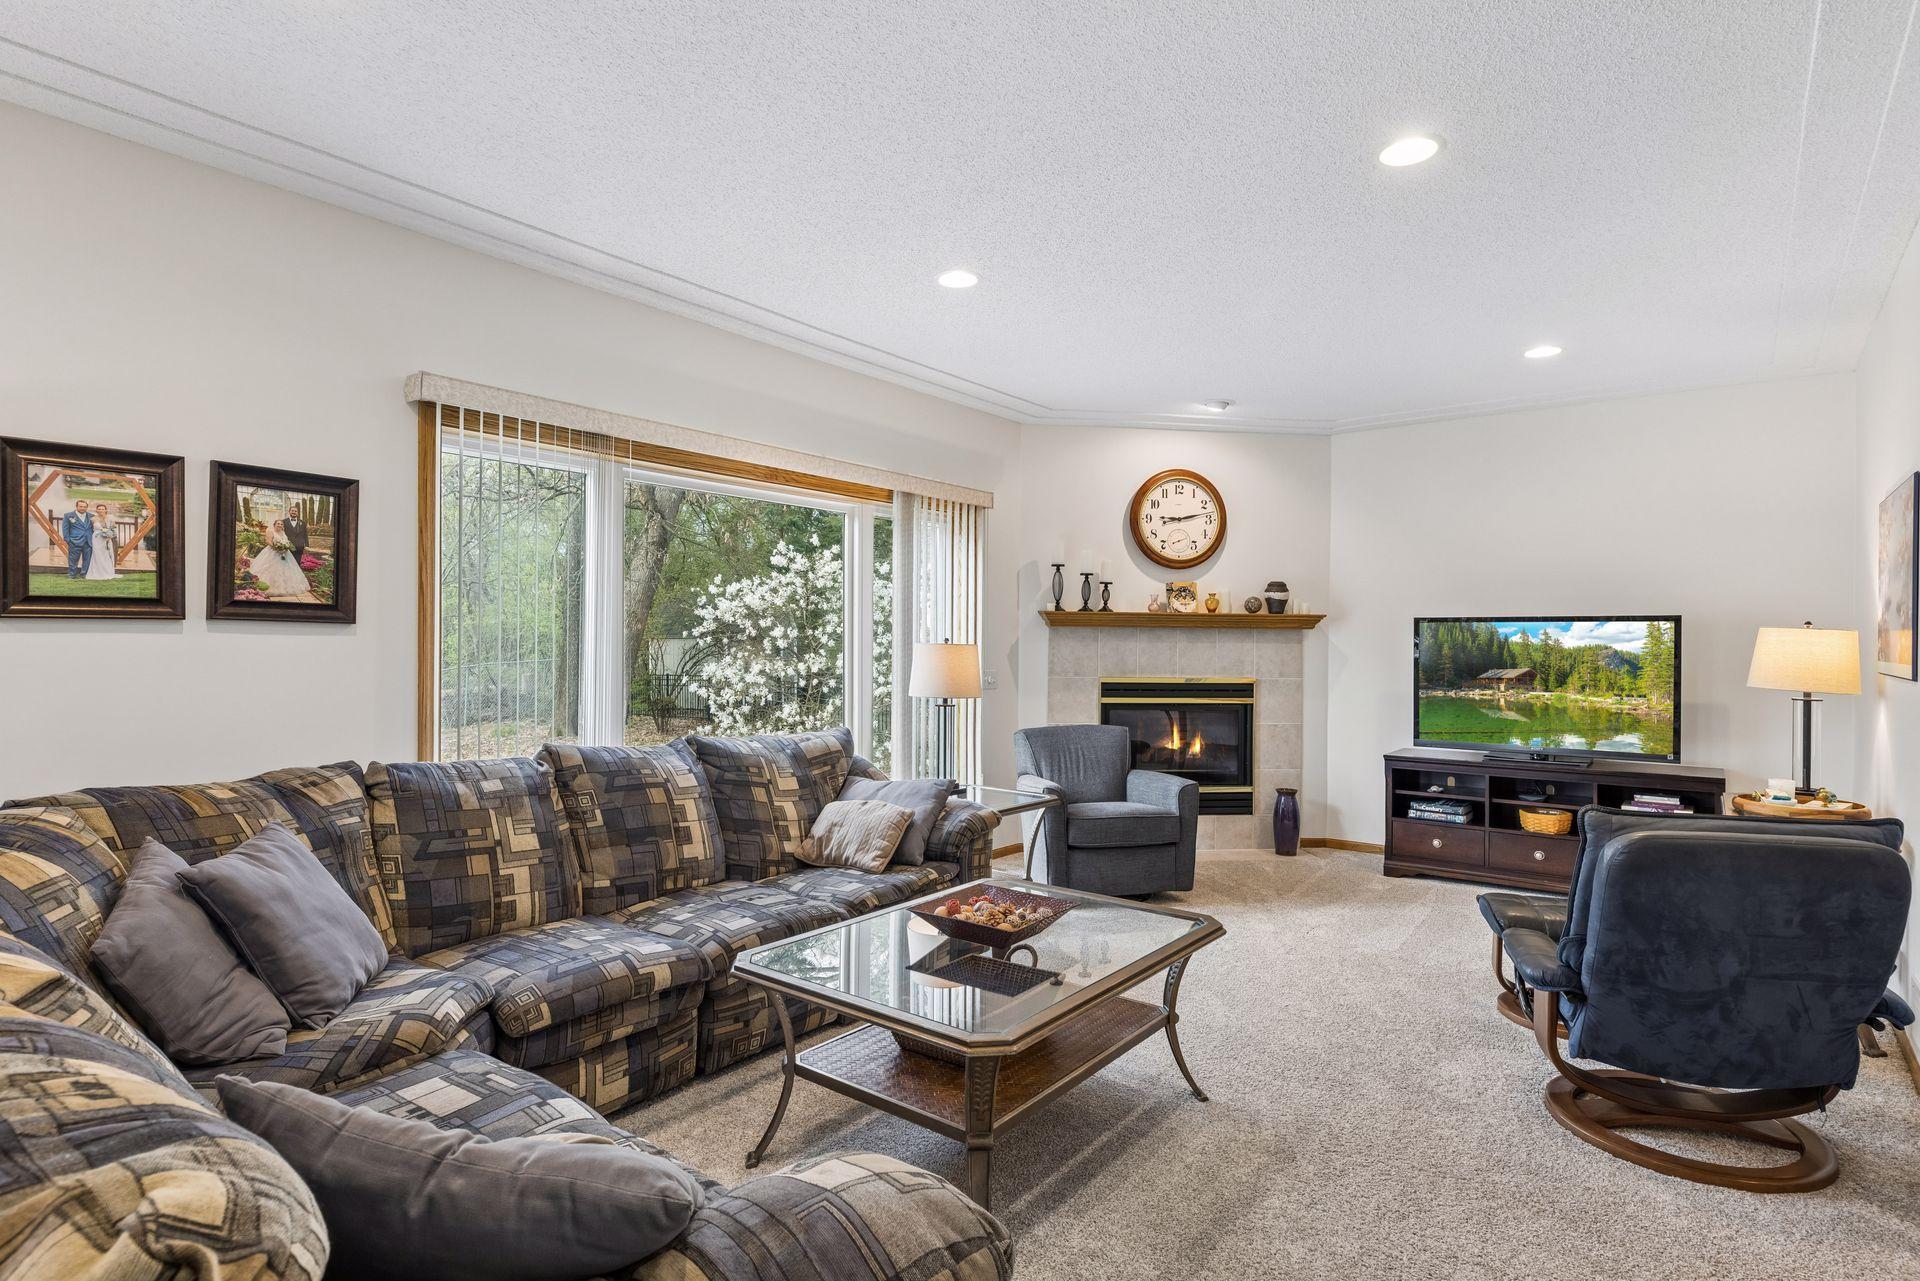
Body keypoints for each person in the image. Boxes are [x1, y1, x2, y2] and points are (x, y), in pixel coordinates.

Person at [248, 519, 310, 598]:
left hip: (284, 553)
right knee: (270, 569)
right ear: (274, 524)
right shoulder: (270, 531)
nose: (280, 525)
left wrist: (286, 547)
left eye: (281, 524)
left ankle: (285, 587)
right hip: (272, 552)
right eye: (278, 524)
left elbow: (287, 542)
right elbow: (268, 541)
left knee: (286, 569)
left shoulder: (283, 532)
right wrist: (276, 548)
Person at [84, 503, 119, 581]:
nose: (101, 510)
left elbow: (114, 528)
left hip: (107, 539)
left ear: (106, 510)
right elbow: (91, 529)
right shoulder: (93, 519)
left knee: (107, 555)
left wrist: (110, 535)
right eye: (99, 509)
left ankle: (107, 572)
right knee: (97, 555)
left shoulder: (111, 518)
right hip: (97, 538)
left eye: (102, 509)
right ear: (96, 510)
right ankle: (97, 573)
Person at [59, 498, 93, 578]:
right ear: (76, 506)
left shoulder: (91, 516)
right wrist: (68, 540)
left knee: (87, 559)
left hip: (88, 541)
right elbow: (65, 528)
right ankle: (72, 574)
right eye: (81, 506)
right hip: (74, 541)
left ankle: (84, 574)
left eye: (85, 507)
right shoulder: (68, 515)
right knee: (73, 559)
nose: (83, 508)